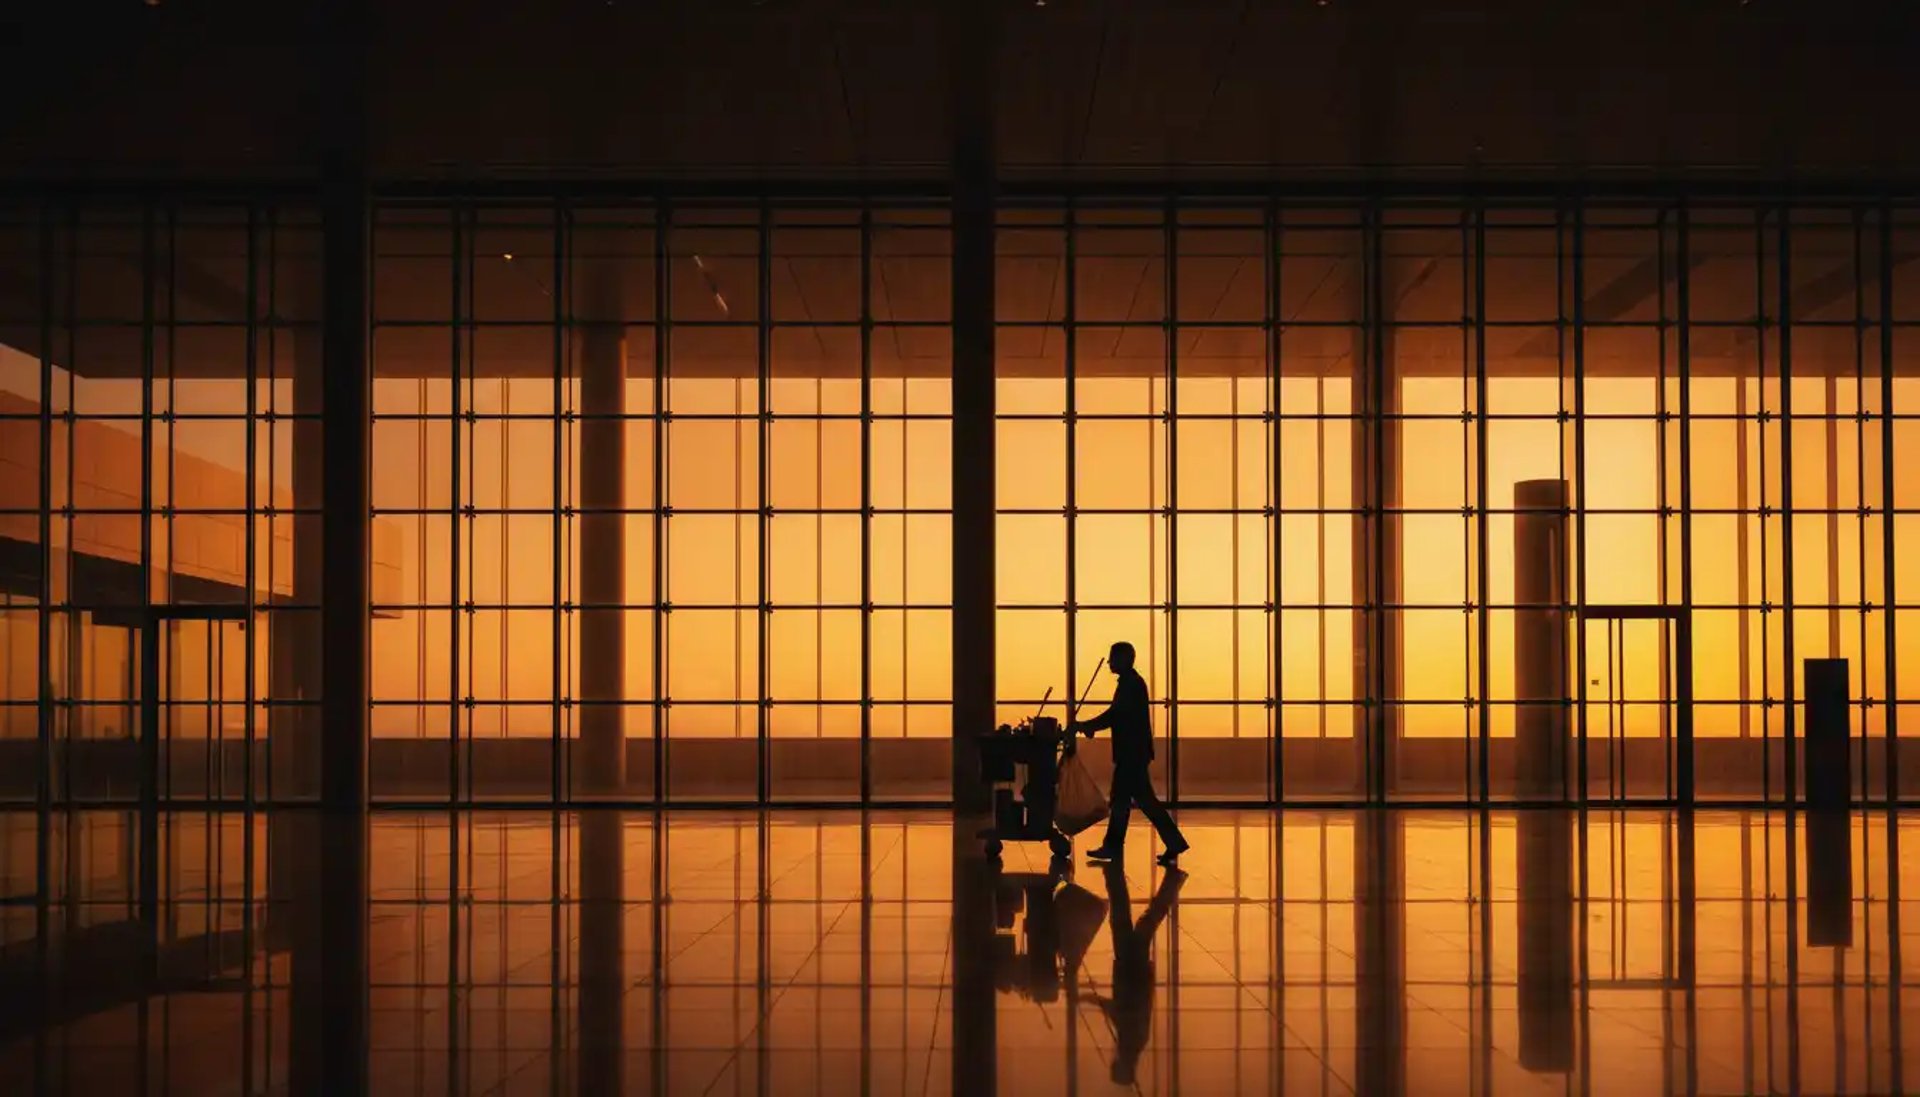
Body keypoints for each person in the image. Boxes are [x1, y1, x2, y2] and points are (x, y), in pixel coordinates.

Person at [1068, 641, 1190, 865]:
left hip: (1131, 754)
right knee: (1137, 800)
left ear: (1124, 659)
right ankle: (1171, 843)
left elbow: (1115, 715)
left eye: (1113, 658)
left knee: (1125, 800)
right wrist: (1088, 727)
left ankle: (1115, 846)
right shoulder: (1131, 683)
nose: (1109, 663)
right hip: (1134, 752)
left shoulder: (1130, 685)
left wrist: (1085, 726)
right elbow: (1117, 716)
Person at [1086, 861, 1186, 1085]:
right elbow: (1121, 1011)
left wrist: (1092, 1000)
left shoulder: (1134, 1044)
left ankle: (1170, 879)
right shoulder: (1131, 1043)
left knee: (1140, 920)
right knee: (1131, 919)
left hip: (1134, 971)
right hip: (1131, 970)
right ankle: (1168, 880)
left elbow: (1121, 1012)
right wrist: (1090, 1000)